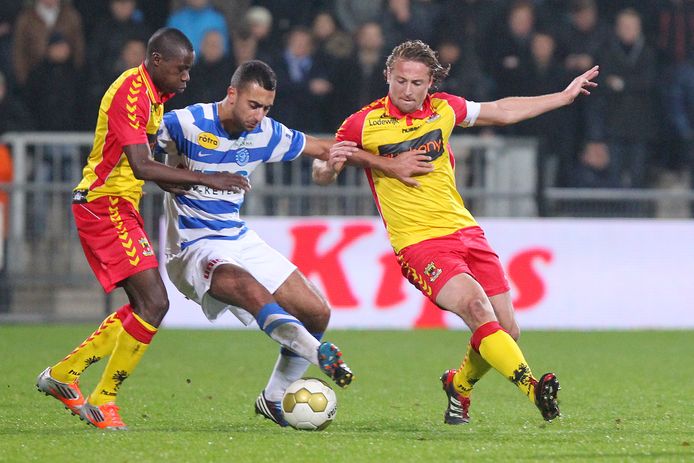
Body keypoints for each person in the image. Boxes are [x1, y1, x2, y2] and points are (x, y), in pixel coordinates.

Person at [321, 40, 599, 424]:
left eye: (416, 83)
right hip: (418, 242)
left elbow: (501, 112)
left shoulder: (444, 108)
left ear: (430, 81)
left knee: (507, 329)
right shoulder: (362, 122)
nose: (407, 90)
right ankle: (532, 387)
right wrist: (363, 166)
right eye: (400, 80)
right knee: (475, 308)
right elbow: (327, 166)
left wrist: (563, 97)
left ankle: (459, 386)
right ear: (387, 75)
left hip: (465, 230)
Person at [35, 27, 249, 431]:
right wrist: (209, 179)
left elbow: (152, 170)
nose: (186, 77)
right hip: (104, 205)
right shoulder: (131, 94)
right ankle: (103, 397)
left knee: (146, 306)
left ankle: (65, 375)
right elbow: (141, 165)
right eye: (181, 69)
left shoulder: (155, 95)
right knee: (154, 303)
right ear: (156, 61)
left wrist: (193, 186)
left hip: (119, 205)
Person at [154, 60, 365, 427]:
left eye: (267, 107)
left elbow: (323, 149)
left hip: (235, 236)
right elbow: (135, 146)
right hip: (190, 244)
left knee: (316, 311)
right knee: (248, 288)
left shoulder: (267, 133)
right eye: (254, 105)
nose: (259, 115)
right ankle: (319, 354)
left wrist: (377, 164)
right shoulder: (186, 122)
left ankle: (273, 398)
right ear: (232, 94)